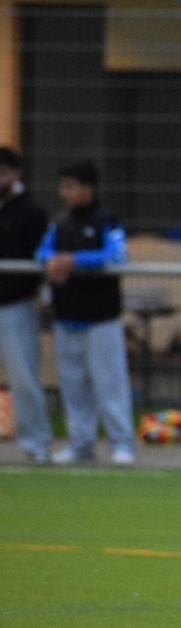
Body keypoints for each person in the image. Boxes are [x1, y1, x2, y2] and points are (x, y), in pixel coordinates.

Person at [37, 161, 135, 466]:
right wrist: (53, 261)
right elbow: (43, 252)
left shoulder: (107, 219)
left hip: (101, 318)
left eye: (69, 186)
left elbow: (116, 255)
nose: (63, 192)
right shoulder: (60, 221)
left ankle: (122, 444)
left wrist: (74, 260)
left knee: (110, 385)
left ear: (87, 188)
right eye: (62, 186)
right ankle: (80, 444)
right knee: (73, 387)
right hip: (66, 316)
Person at [0, 146, 53, 465]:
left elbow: (42, 257)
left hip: (17, 305)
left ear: (16, 174)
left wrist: (43, 294)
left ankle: (37, 444)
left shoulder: (31, 213)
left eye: (3, 172)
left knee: (23, 379)